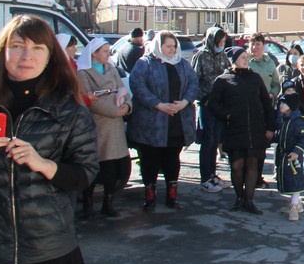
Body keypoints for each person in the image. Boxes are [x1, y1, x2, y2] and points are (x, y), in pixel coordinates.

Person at [0, 15, 98, 264]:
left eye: (38, 48)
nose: (26, 55)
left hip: (49, 251)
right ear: (3, 51)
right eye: (17, 46)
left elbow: (85, 173)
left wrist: (44, 164)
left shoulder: (69, 110)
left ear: (51, 56)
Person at [127, 30, 199, 210]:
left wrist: (184, 103)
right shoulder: (145, 63)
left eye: (173, 46)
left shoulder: (182, 64)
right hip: (152, 122)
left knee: (172, 158)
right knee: (150, 159)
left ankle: (172, 195)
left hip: (176, 121)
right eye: (167, 46)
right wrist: (158, 104)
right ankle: (150, 196)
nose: (171, 50)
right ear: (159, 46)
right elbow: (138, 86)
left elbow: (193, 83)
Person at [207, 47, 275, 215]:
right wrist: (226, 115)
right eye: (243, 57)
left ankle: (249, 200)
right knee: (237, 165)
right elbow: (213, 104)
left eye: (247, 57)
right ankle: (239, 197)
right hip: (234, 129)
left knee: (252, 164)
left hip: (255, 129)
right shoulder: (223, 80)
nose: (246, 59)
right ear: (234, 60)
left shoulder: (255, 78)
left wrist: (271, 126)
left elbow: (267, 104)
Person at [75, 37, 132, 218]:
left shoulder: (112, 68)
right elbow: (89, 100)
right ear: (94, 54)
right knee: (96, 165)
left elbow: (123, 90)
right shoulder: (83, 72)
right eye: (105, 51)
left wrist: (126, 106)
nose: (109, 54)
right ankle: (88, 204)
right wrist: (114, 111)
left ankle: (108, 203)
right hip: (99, 124)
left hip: (115, 124)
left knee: (114, 167)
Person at [192, 25, 231, 194]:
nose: (220, 44)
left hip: (220, 105)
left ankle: (213, 174)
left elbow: (229, 75)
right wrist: (204, 97)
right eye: (218, 41)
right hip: (207, 105)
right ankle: (205, 177)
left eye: (222, 41)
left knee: (216, 141)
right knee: (208, 141)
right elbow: (194, 82)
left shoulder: (223, 57)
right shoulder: (200, 56)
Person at [246, 34, 279, 188]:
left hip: (265, 109)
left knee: (261, 146)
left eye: (258, 44)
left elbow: (276, 84)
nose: (255, 47)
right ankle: (247, 176)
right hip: (246, 109)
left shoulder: (269, 63)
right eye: (252, 44)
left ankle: (257, 176)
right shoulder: (244, 60)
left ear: (263, 46)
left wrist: (272, 94)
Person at [275, 82, 304, 222]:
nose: (280, 107)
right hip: (284, 155)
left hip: (293, 157)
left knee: (295, 181)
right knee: (288, 180)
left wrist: (297, 151)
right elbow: (282, 135)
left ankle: (294, 207)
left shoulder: (297, 121)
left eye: (283, 104)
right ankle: (296, 203)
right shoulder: (285, 120)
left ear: (290, 106)